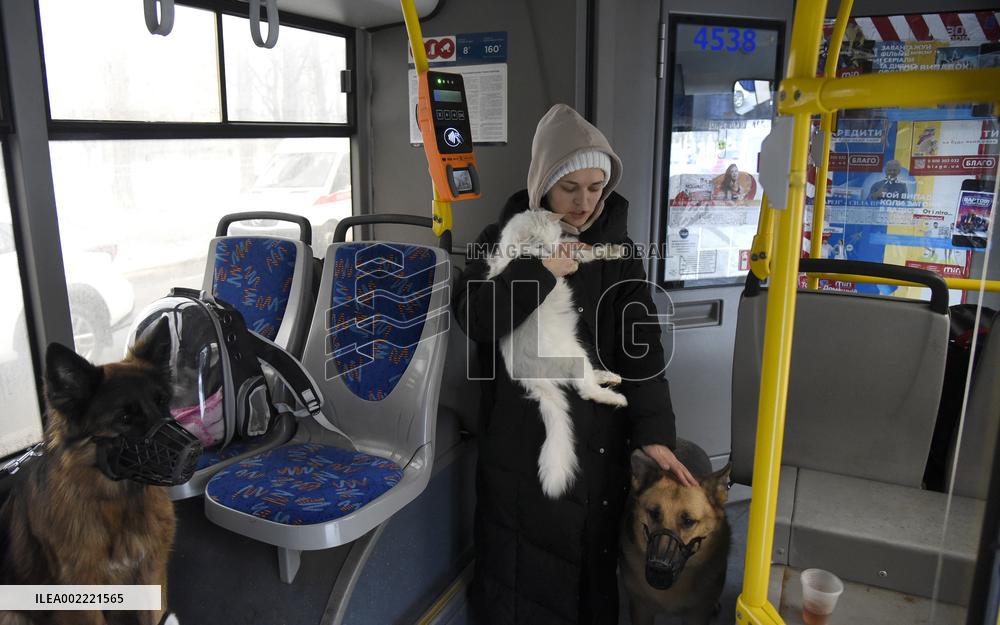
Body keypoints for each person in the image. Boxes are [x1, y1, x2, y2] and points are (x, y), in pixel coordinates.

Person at [453, 103, 693, 625]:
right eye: (570, 187)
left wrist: (653, 431)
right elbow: (475, 315)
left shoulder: (620, 251)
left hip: (599, 445)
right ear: (543, 185)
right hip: (524, 441)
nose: (585, 202)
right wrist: (539, 271)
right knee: (522, 581)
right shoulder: (502, 240)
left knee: (590, 578)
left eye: (596, 187)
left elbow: (641, 343)